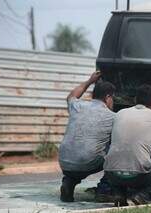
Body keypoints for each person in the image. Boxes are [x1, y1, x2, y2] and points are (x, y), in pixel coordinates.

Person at [103, 84, 151, 206]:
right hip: (138, 176)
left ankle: (119, 194)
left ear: (135, 99)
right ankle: (142, 195)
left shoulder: (119, 113)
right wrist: (145, 151)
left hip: (111, 174)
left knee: (113, 157)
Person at [58, 71, 116, 202]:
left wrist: (89, 81)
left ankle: (69, 183)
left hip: (65, 163)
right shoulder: (112, 116)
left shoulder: (77, 106)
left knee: (84, 148)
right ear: (108, 97)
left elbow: (72, 95)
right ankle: (104, 189)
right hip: (88, 164)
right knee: (118, 149)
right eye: (113, 98)